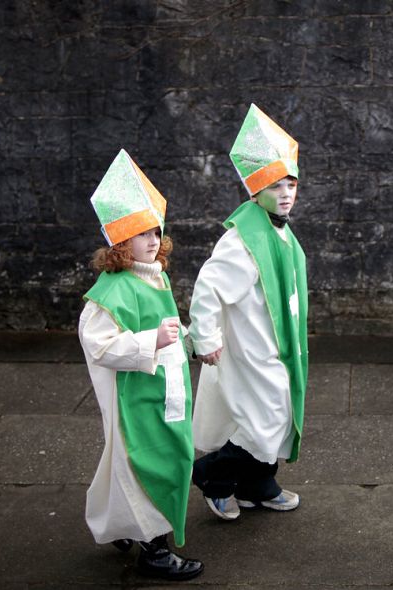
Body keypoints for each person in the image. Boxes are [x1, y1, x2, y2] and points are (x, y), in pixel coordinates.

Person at [78, 149, 203, 581]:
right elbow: (98, 344)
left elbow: (165, 323)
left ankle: (122, 526)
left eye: (156, 231)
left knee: (147, 461)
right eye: (141, 234)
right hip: (139, 396)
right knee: (153, 462)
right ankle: (154, 550)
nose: (153, 241)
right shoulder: (113, 290)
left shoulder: (153, 274)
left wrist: (186, 340)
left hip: (163, 388)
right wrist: (152, 341)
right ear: (120, 242)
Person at [189, 103, 308, 521]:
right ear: (256, 191)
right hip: (250, 348)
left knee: (280, 415)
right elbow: (209, 286)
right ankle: (212, 477)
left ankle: (258, 485)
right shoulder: (243, 240)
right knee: (266, 419)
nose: (287, 193)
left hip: (277, 346)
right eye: (277, 186)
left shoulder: (282, 234)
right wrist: (204, 339)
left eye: (292, 184)